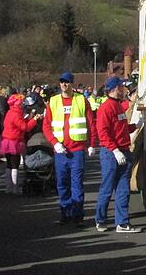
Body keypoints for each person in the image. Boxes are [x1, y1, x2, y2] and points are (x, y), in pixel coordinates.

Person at [42, 71, 96, 226]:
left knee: (77, 184)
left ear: (71, 83)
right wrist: (54, 143)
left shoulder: (81, 100)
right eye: (61, 82)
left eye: (66, 82)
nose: (64, 85)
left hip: (77, 149)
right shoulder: (53, 101)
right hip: (61, 151)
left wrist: (92, 144)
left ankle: (77, 215)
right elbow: (46, 126)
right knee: (62, 184)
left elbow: (91, 123)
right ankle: (65, 213)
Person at [94, 77, 143, 233]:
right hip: (111, 153)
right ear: (114, 89)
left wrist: (135, 126)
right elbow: (103, 133)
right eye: (121, 87)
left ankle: (122, 222)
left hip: (123, 151)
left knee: (123, 189)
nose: (123, 90)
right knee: (107, 188)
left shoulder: (117, 107)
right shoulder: (106, 108)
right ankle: (100, 220)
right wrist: (114, 150)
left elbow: (120, 129)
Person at [0, 94, 40, 194]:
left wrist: (29, 119)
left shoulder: (10, 112)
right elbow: (24, 127)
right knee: (15, 165)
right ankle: (15, 188)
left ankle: (8, 188)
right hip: (14, 141)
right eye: (21, 103)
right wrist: (34, 120)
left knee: (9, 165)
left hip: (6, 140)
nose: (23, 104)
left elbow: (20, 124)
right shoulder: (16, 114)